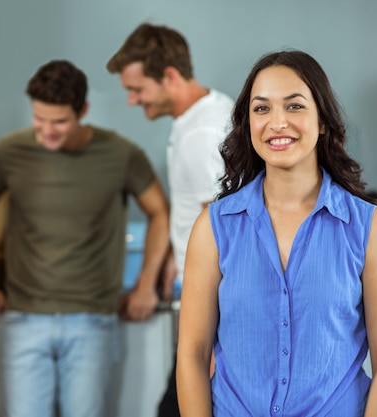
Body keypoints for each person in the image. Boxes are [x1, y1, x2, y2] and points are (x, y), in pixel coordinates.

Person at [176, 50, 377, 416]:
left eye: (295, 106)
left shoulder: (371, 230)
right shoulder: (213, 228)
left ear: (321, 122)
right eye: (262, 108)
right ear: (247, 123)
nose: (277, 122)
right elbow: (192, 356)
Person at [0, 59, 170, 417]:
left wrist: (145, 284)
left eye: (59, 121)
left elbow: (160, 212)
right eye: (39, 119)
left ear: (83, 111)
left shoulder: (120, 155)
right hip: (24, 319)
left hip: (91, 321)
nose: (46, 131)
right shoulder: (9, 152)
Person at [107, 23, 235, 417]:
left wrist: (213, 340)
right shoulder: (212, 109)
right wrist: (172, 256)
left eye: (137, 89)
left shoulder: (201, 136)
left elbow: (221, 231)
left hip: (208, 302)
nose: (131, 100)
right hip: (201, 293)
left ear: (171, 77)